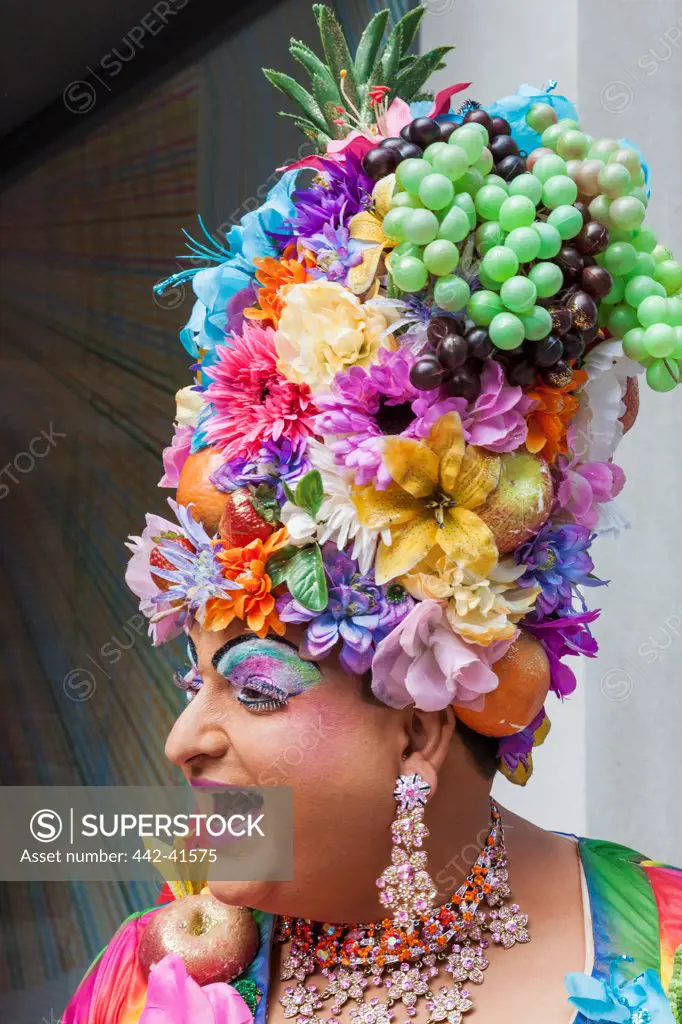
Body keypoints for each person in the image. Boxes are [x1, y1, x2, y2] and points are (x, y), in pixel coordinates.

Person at [63, 5, 682, 1022]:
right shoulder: (146, 976)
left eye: (253, 686)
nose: (183, 738)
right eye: (196, 679)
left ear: (420, 729)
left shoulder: (657, 953)